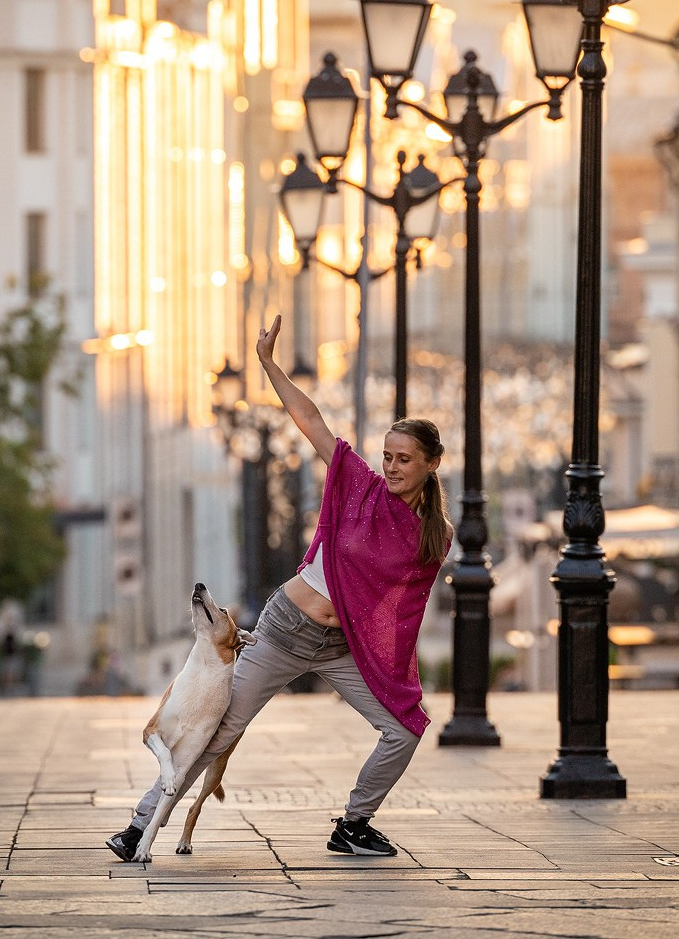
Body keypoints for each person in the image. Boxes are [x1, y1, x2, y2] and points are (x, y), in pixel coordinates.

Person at [107, 314, 453, 860]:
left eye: (403, 460)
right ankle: (138, 827)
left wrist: (391, 667)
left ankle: (354, 823)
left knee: (403, 731)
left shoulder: (434, 536)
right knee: (217, 734)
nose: (390, 467)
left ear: (432, 464)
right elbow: (311, 421)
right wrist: (268, 364)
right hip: (285, 630)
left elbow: (401, 611)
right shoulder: (361, 487)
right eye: (387, 456)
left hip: (345, 648)